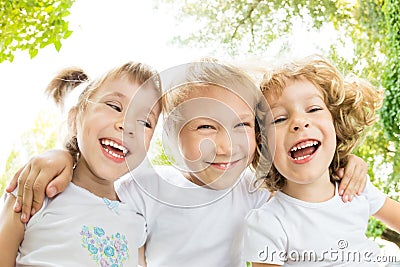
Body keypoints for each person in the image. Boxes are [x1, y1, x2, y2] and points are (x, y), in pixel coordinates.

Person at [5, 60, 368, 267]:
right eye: (207, 126)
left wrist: (345, 162)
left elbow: (306, 180)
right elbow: (97, 189)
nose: (225, 145)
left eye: (242, 125)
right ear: (173, 138)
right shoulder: (143, 191)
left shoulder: (258, 193)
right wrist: (64, 156)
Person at [0, 62, 162, 266]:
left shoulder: (138, 220)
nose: (128, 125)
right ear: (74, 119)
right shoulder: (35, 190)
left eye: (145, 122)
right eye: (114, 106)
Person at [244, 55, 400, 266]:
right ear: (263, 144)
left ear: (336, 124)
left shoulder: (356, 188)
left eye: (314, 109)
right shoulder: (268, 223)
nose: (299, 122)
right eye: (279, 118)